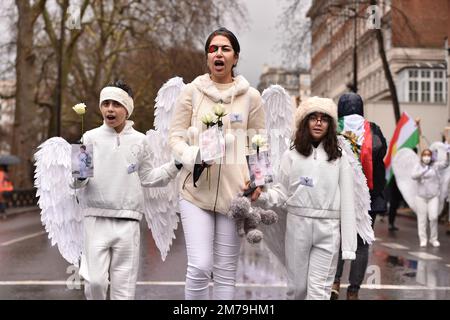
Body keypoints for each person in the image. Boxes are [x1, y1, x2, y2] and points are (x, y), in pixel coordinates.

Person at [169, 27, 265, 300]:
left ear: (235, 57)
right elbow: (174, 138)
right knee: (200, 266)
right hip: (195, 193)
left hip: (233, 195)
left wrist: (258, 180)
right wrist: (193, 157)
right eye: (213, 49)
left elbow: (259, 142)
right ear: (207, 57)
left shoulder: (251, 97)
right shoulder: (191, 92)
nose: (219, 53)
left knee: (225, 272)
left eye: (225, 49)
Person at [74, 80, 183, 300]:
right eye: (106, 104)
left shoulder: (141, 141)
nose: (110, 109)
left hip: (129, 222)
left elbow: (149, 177)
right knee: (95, 282)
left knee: (123, 292)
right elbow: (78, 184)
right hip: (95, 220)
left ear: (127, 109)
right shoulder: (89, 138)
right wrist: (78, 175)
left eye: (116, 104)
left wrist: (175, 165)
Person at [249, 96, 357, 300]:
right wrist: (261, 196)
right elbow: (280, 193)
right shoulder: (291, 155)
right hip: (297, 226)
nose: (318, 122)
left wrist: (349, 246)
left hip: (329, 229)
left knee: (319, 293)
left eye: (323, 118)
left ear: (330, 124)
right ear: (304, 122)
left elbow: (349, 202)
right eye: (313, 117)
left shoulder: (340, 157)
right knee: (297, 289)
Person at [331, 92, 387, 300]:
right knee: (362, 244)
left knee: (337, 240)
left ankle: (334, 281)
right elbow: (383, 152)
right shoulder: (373, 129)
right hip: (368, 197)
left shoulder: (334, 127)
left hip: (338, 194)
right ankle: (353, 291)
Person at [412, 148, 449, 247]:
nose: (427, 157)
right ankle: (423, 239)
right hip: (421, 197)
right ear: (422, 156)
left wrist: (448, 155)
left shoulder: (435, 166)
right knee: (422, 219)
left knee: (433, 217)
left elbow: (445, 164)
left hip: (433, 196)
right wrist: (423, 171)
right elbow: (413, 176)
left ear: (431, 156)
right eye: (425, 155)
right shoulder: (418, 166)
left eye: (429, 155)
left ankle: (433, 239)